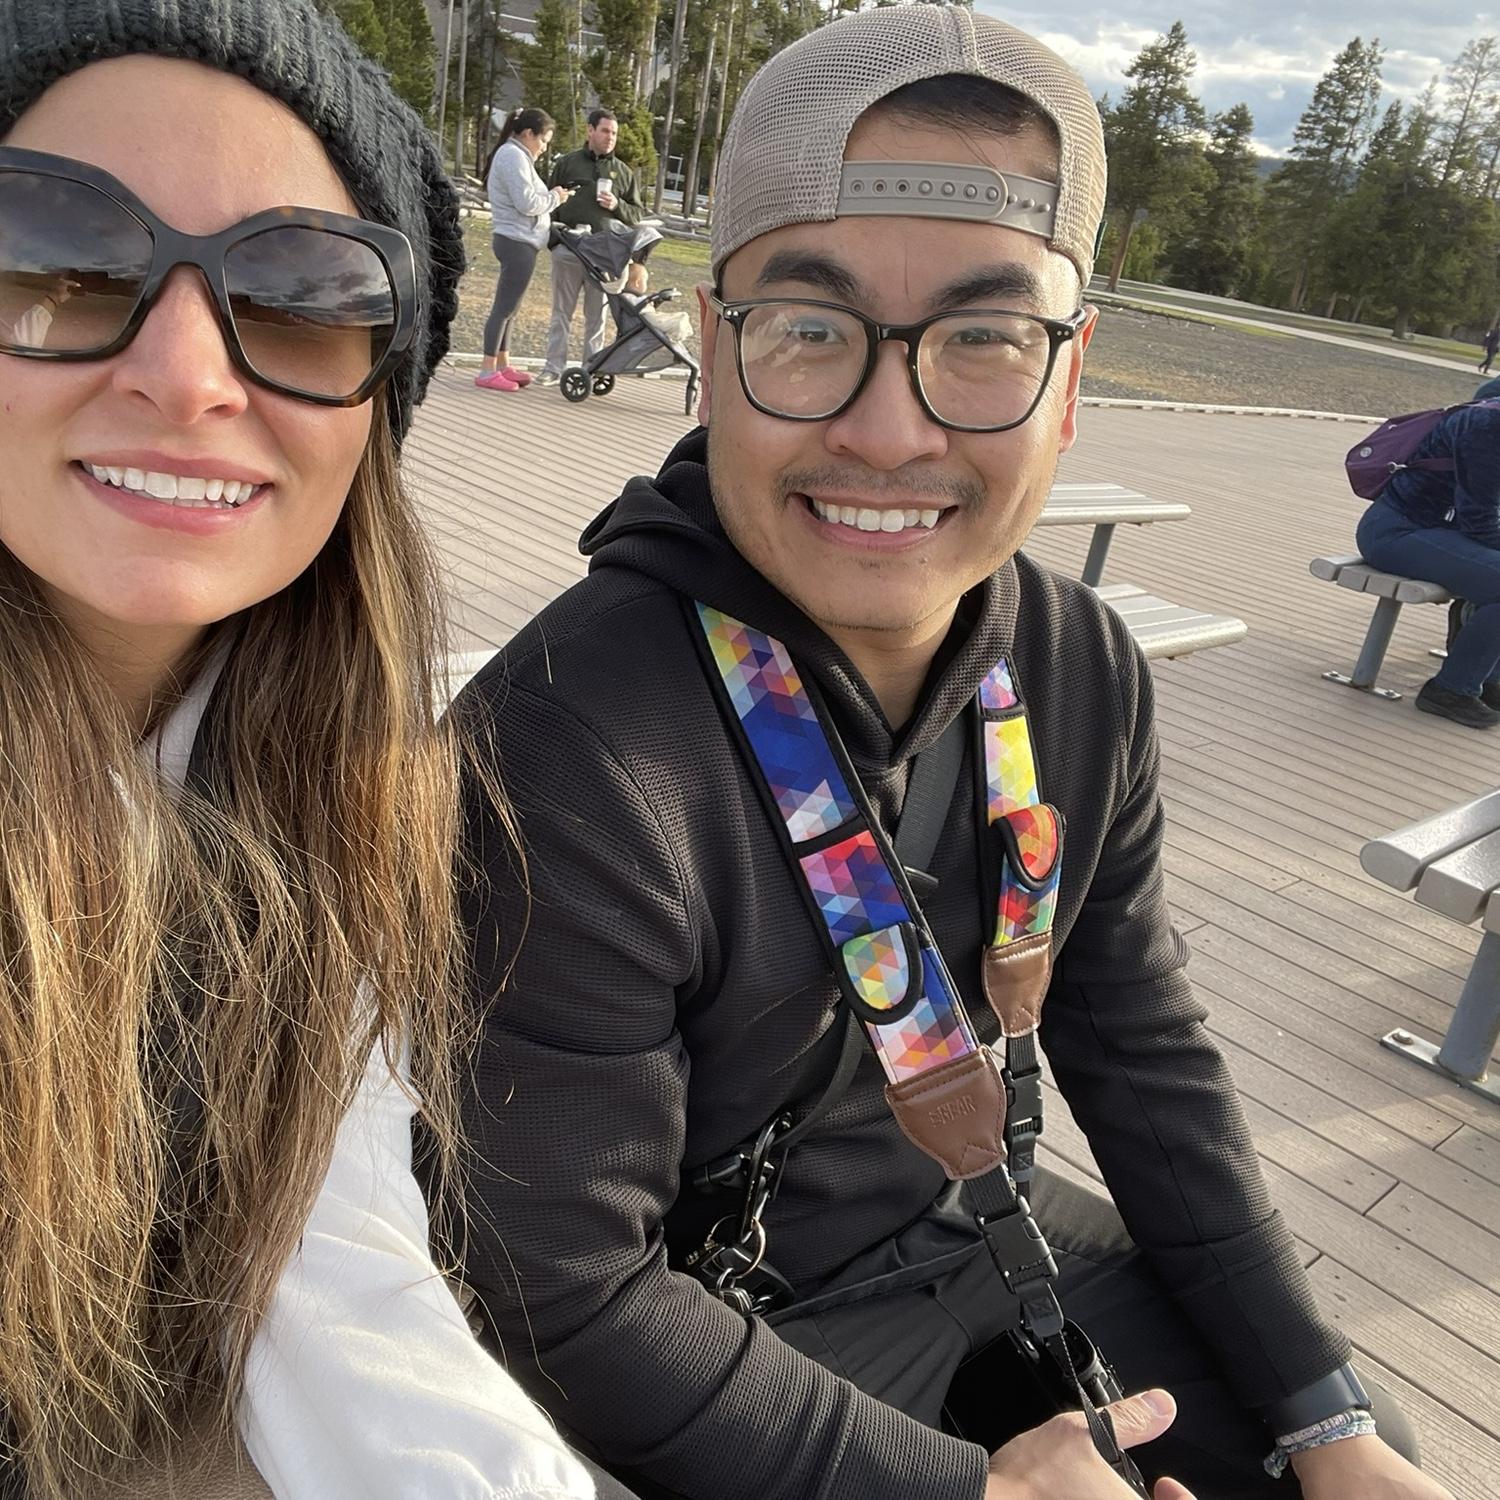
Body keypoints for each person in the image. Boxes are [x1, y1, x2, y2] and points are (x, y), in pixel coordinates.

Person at [449, 8, 1450, 1500]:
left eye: (984, 339)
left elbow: (1138, 1046)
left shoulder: (1076, 664)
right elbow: (563, 1287)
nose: (889, 430)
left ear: (1070, 370)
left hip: (978, 1228)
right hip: (697, 1329)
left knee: (1355, 1459)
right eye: (812, 331)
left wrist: (1329, 1417)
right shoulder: (565, 747)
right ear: (714, 352)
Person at [0, 3, 633, 1497]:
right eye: (59, 255)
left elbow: (326, 1273)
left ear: (373, 411)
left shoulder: (316, 786)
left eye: (295, 294)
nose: (188, 373)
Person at [1356, 400, 1500, 728]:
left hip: (1443, 530)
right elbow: (1477, 519)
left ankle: (1488, 680)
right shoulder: (1488, 426)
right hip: (1399, 532)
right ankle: (1449, 691)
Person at [536, 108, 646, 385]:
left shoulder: (622, 172)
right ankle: (552, 367)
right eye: (606, 131)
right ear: (590, 130)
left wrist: (617, 205)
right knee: (561, 312)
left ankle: (589, 370)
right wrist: (554, 242)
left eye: (614, 133)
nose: (611, 137)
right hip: (569, 249)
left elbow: (636, 215)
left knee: (597, 317)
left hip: (605, 257)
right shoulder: (568, 163)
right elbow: (549, 202)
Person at [476, 106, 573, 394]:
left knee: (512, 308)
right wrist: (555, 197)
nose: (544, 148)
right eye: (543, 140)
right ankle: (486, 369)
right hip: (515, 240)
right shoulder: (512, 156)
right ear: (529, 133)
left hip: (523, 241)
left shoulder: (518, 156)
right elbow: (527, 202)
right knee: (503, 307)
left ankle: (503, 363)